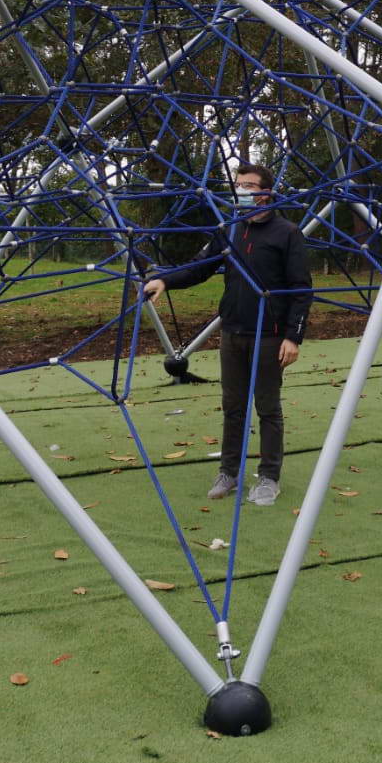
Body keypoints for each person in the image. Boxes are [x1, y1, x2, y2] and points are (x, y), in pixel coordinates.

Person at [143, 164, 312, 506]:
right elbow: (201, 266)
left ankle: (268, 477)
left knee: (267, 408)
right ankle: (229, 472)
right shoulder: (230, 230)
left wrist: (293, 337)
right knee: (233, 407)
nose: (243, 192)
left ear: (267, 192)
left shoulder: (287, 233)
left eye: (249, 186)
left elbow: (301, 289)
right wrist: (165, 279)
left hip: (269, 335)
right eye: (238, 186)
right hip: (232, 332)